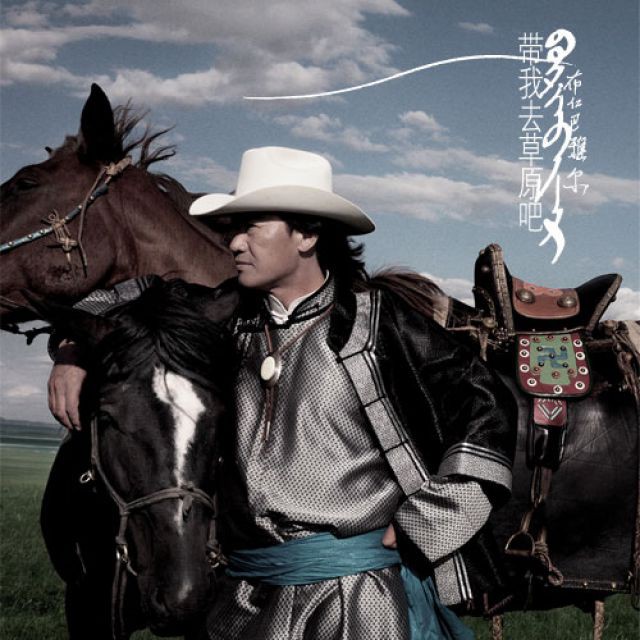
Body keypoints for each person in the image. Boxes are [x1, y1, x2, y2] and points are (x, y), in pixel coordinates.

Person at [49, 146, 516, 639]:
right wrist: (72, 350)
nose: (234, 243)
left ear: (307, 235)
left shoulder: (375, 322)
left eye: (252, 227)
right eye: (233, 229)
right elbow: (117, 298)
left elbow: (488, 404)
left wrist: (432, 519)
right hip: (244, 600)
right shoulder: (224, 320)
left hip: (358, 601)